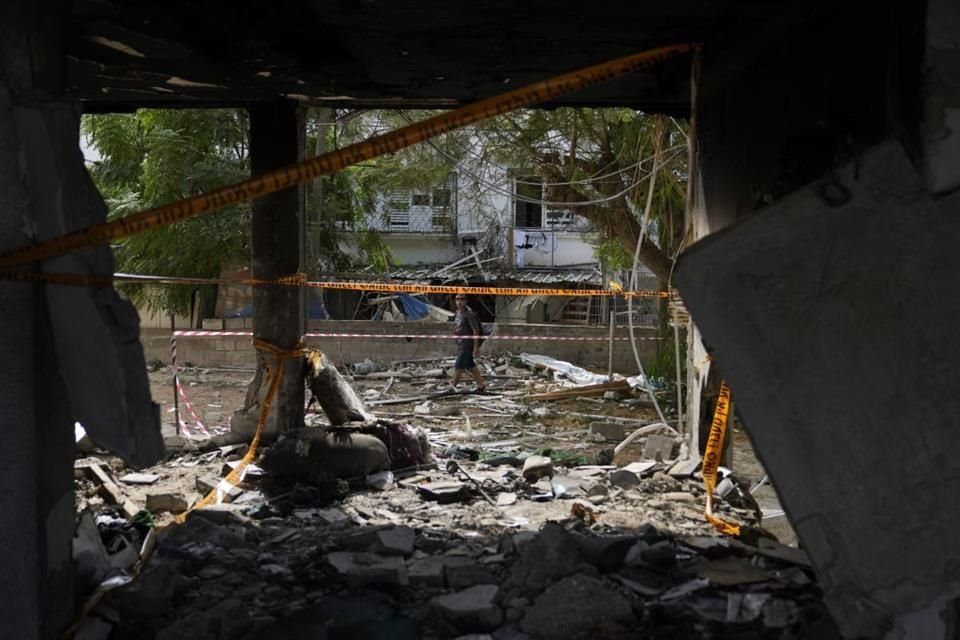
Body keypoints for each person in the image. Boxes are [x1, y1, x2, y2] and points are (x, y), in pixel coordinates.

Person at [451, 293, 486, 392]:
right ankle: (481, 385)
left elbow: (476, 330)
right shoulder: (458, 313)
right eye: (457, 299)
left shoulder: (469, 315)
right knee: (470, 365)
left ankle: (453, 386)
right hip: (461, 343)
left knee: (459, 365)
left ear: (466, 301)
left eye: (462, 299)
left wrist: (476, 347)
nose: (459, 302)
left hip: (468, 344)